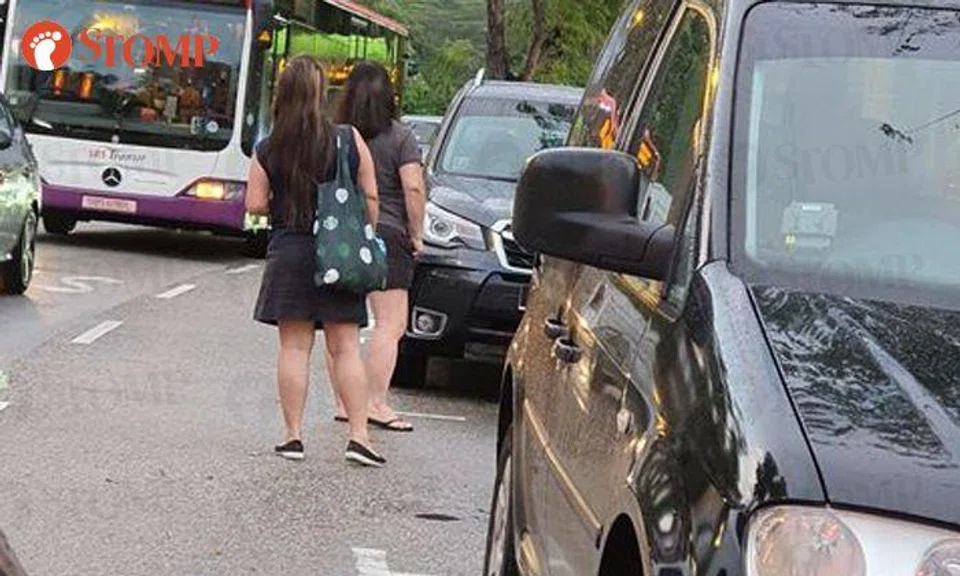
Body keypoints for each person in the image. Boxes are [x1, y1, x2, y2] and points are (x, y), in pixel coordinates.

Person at [246, 55, 386, 467]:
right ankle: (359, 436)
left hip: (290, 249)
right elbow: (372, 198)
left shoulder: (269, 147)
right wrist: (363, 230)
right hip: (339, 252)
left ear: (283, 95)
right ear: (322, 93)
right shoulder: (347, 139)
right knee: (345, 348)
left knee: (294, 346)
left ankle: (293, 437)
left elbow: (255, 204)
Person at [329, 61, 426, 432]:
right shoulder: (401, 138)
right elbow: (413, 188)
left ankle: (343, 401)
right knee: (390, 323)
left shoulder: (336, 135)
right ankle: (374, 403)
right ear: (389, 96)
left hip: (343, 234)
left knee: (343, 323)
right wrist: (416, 234)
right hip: (387, 233)